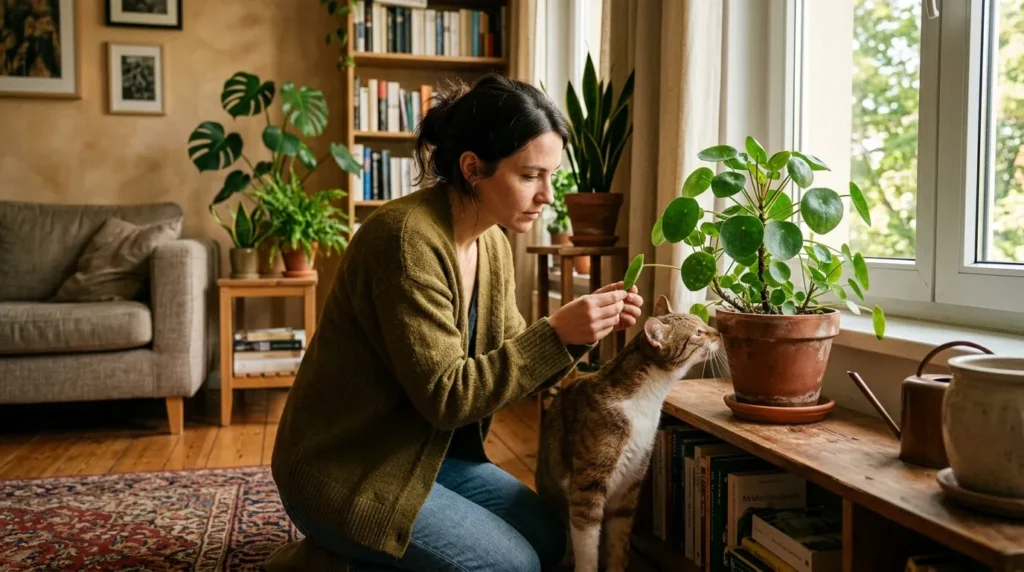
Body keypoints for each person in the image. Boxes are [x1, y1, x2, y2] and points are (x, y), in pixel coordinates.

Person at [267, 73, 644, 572]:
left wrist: (581, 332)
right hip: (345, 465)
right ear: (472, 168)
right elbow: (448, 398)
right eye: (531, 176)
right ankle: (329, 555)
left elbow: (513, 357)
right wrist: (557, 333)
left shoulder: (491, 242)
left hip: (431, 456)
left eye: (551, 176)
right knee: (512, 567)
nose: (548, 196)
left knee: (550, 541)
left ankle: (355, 558)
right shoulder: (405, 241)